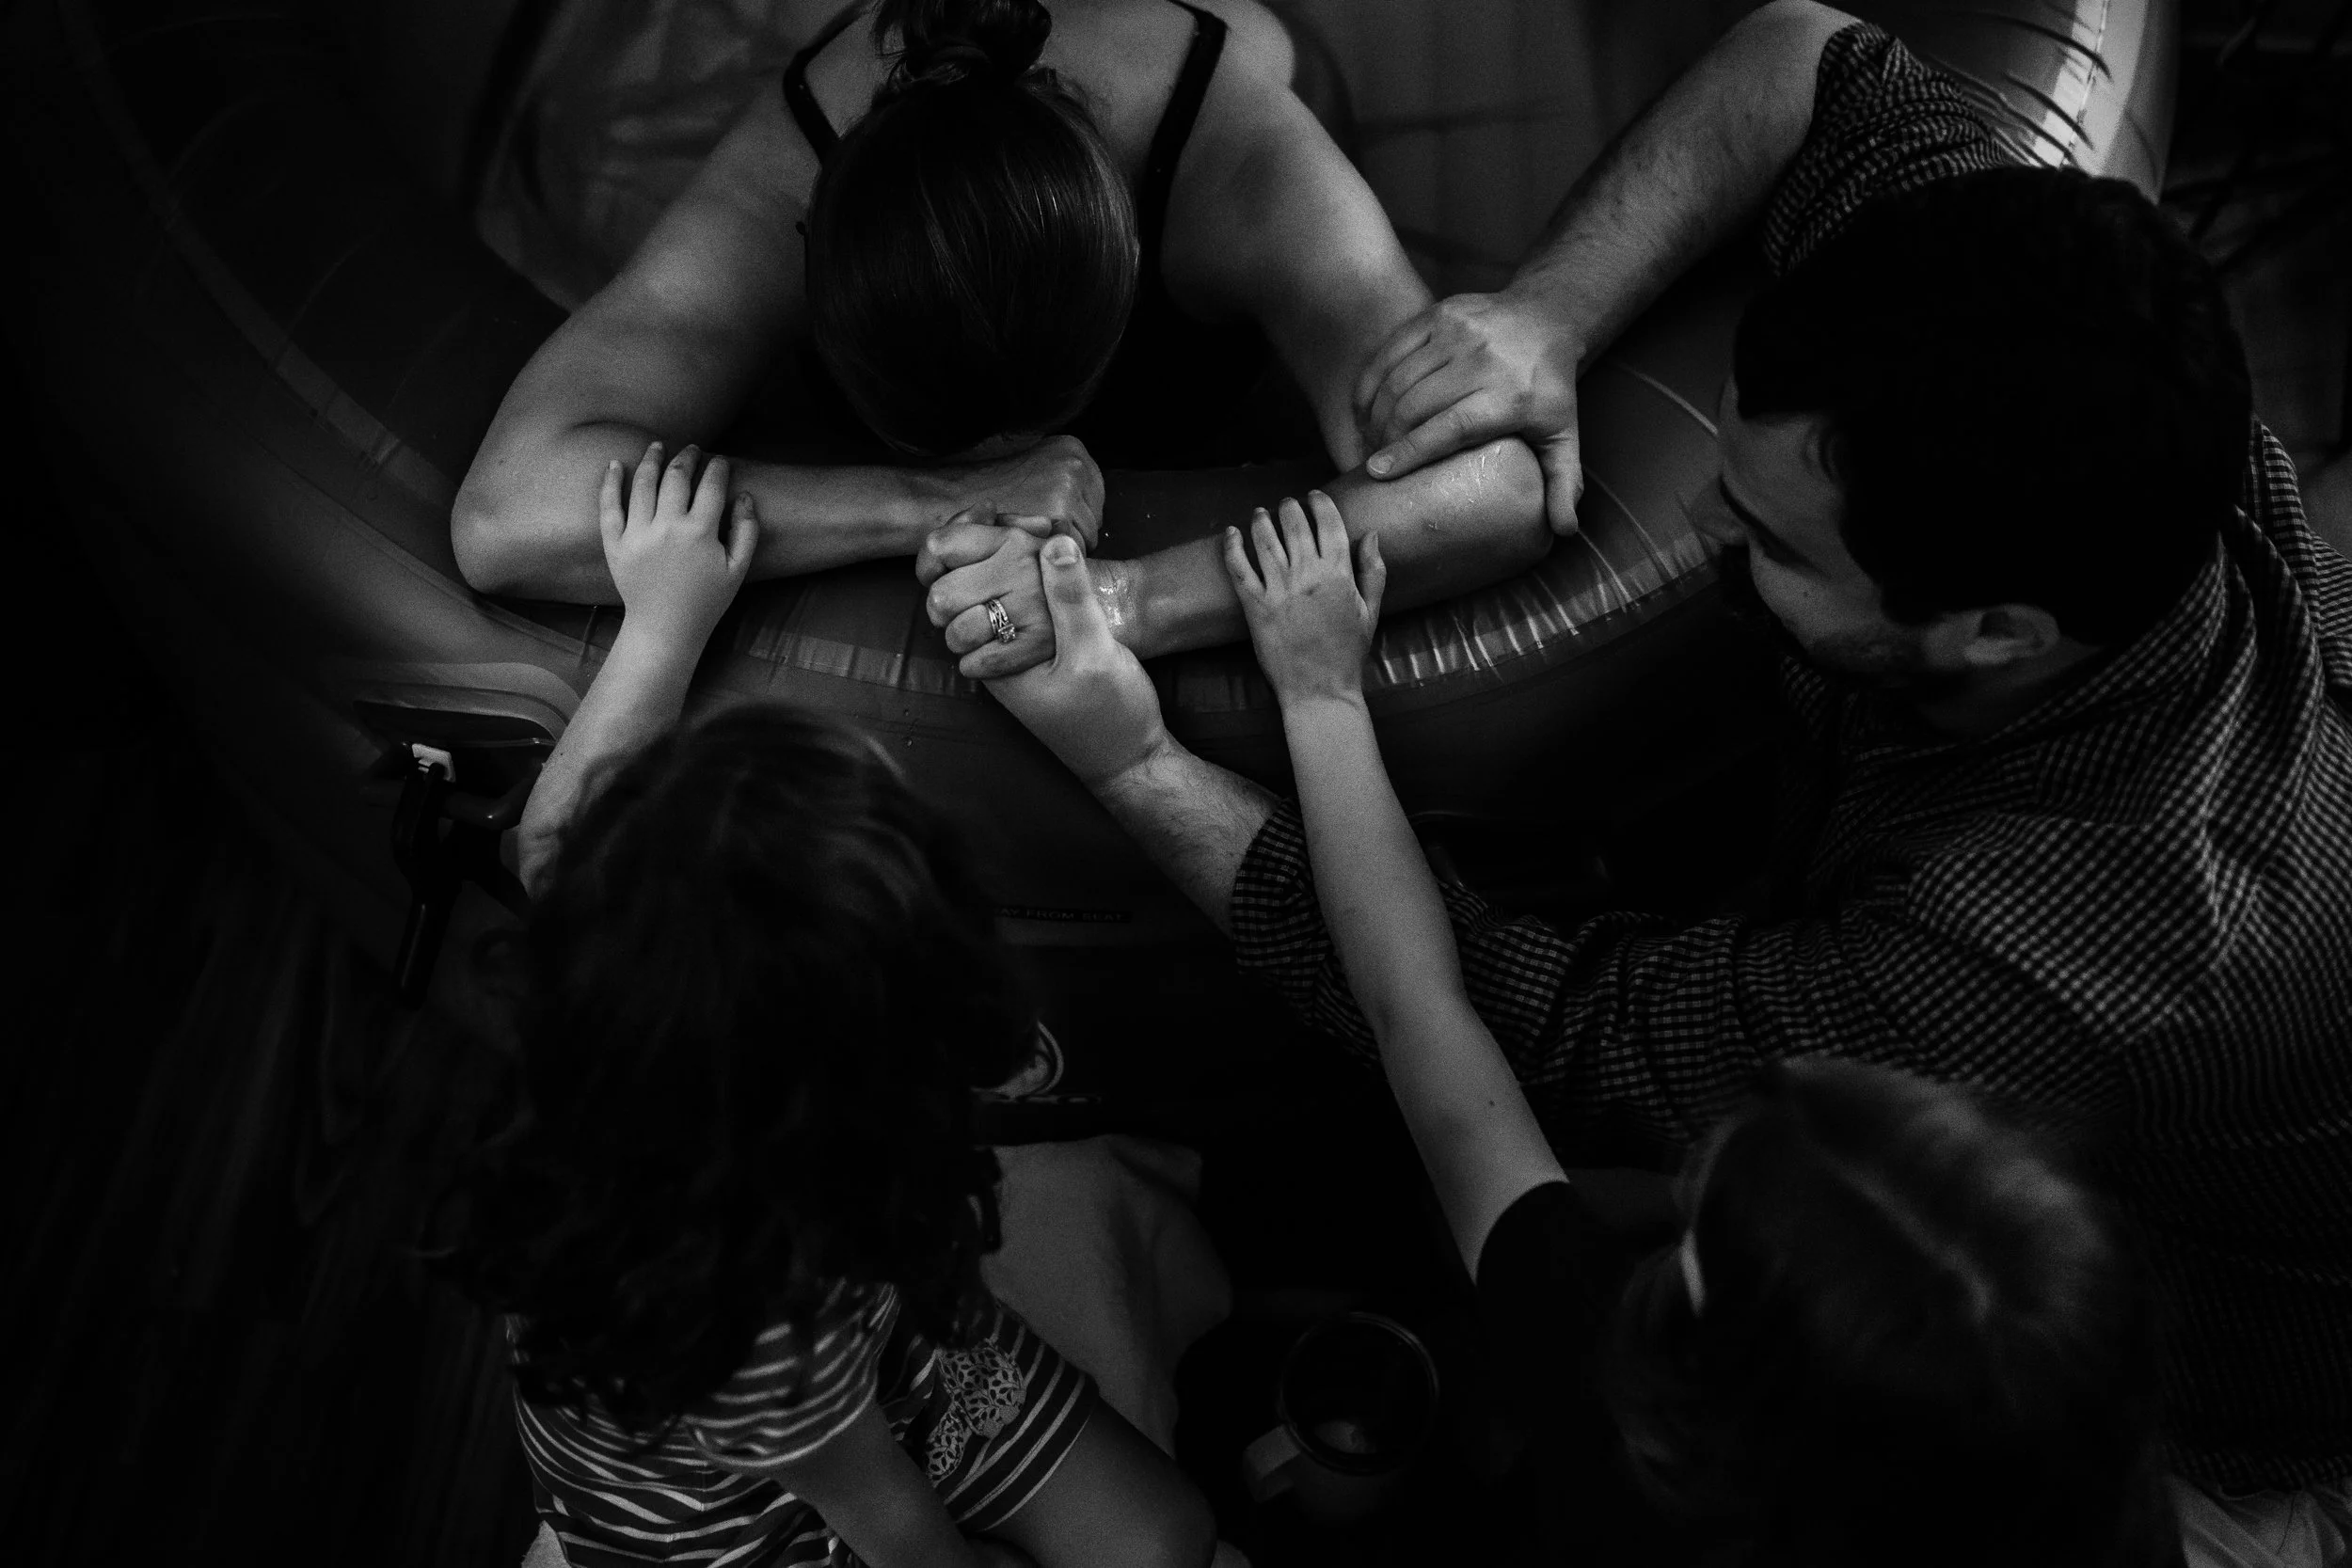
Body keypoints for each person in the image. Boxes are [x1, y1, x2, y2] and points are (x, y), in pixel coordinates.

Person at [978, 3, 2352, 1555]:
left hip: (2179, 1458)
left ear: (1994, 632)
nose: (1690, 527)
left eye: (1768, 543)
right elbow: (1817, 55)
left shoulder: (2042, 958)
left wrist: (1138, 758)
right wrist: (1548, 318)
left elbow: (1489, 1037)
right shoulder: (2057, 385)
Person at [1210, 491, 2180, 1566]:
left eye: (1692, 1238)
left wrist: (1317, 695)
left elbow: (1417, 1011)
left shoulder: (1603, 1416)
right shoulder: (2086, 1506)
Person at [440, 441, 1216, 1568]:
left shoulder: (607, 975)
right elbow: (895, 1526)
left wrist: (665, 614)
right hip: (769, 1513)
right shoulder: (767, 1318)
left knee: (1165, 1529)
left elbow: (552, 836)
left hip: (853, 1370)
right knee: (1166, 1540)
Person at [452, 0, 1547, 669]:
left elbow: (1492, 484)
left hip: (1240, 70)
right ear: (808, 241)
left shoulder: (1243, 169)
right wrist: (925, 501)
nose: (996, 467)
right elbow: (507, 514)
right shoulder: (783, 173)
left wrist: (1128, 599)